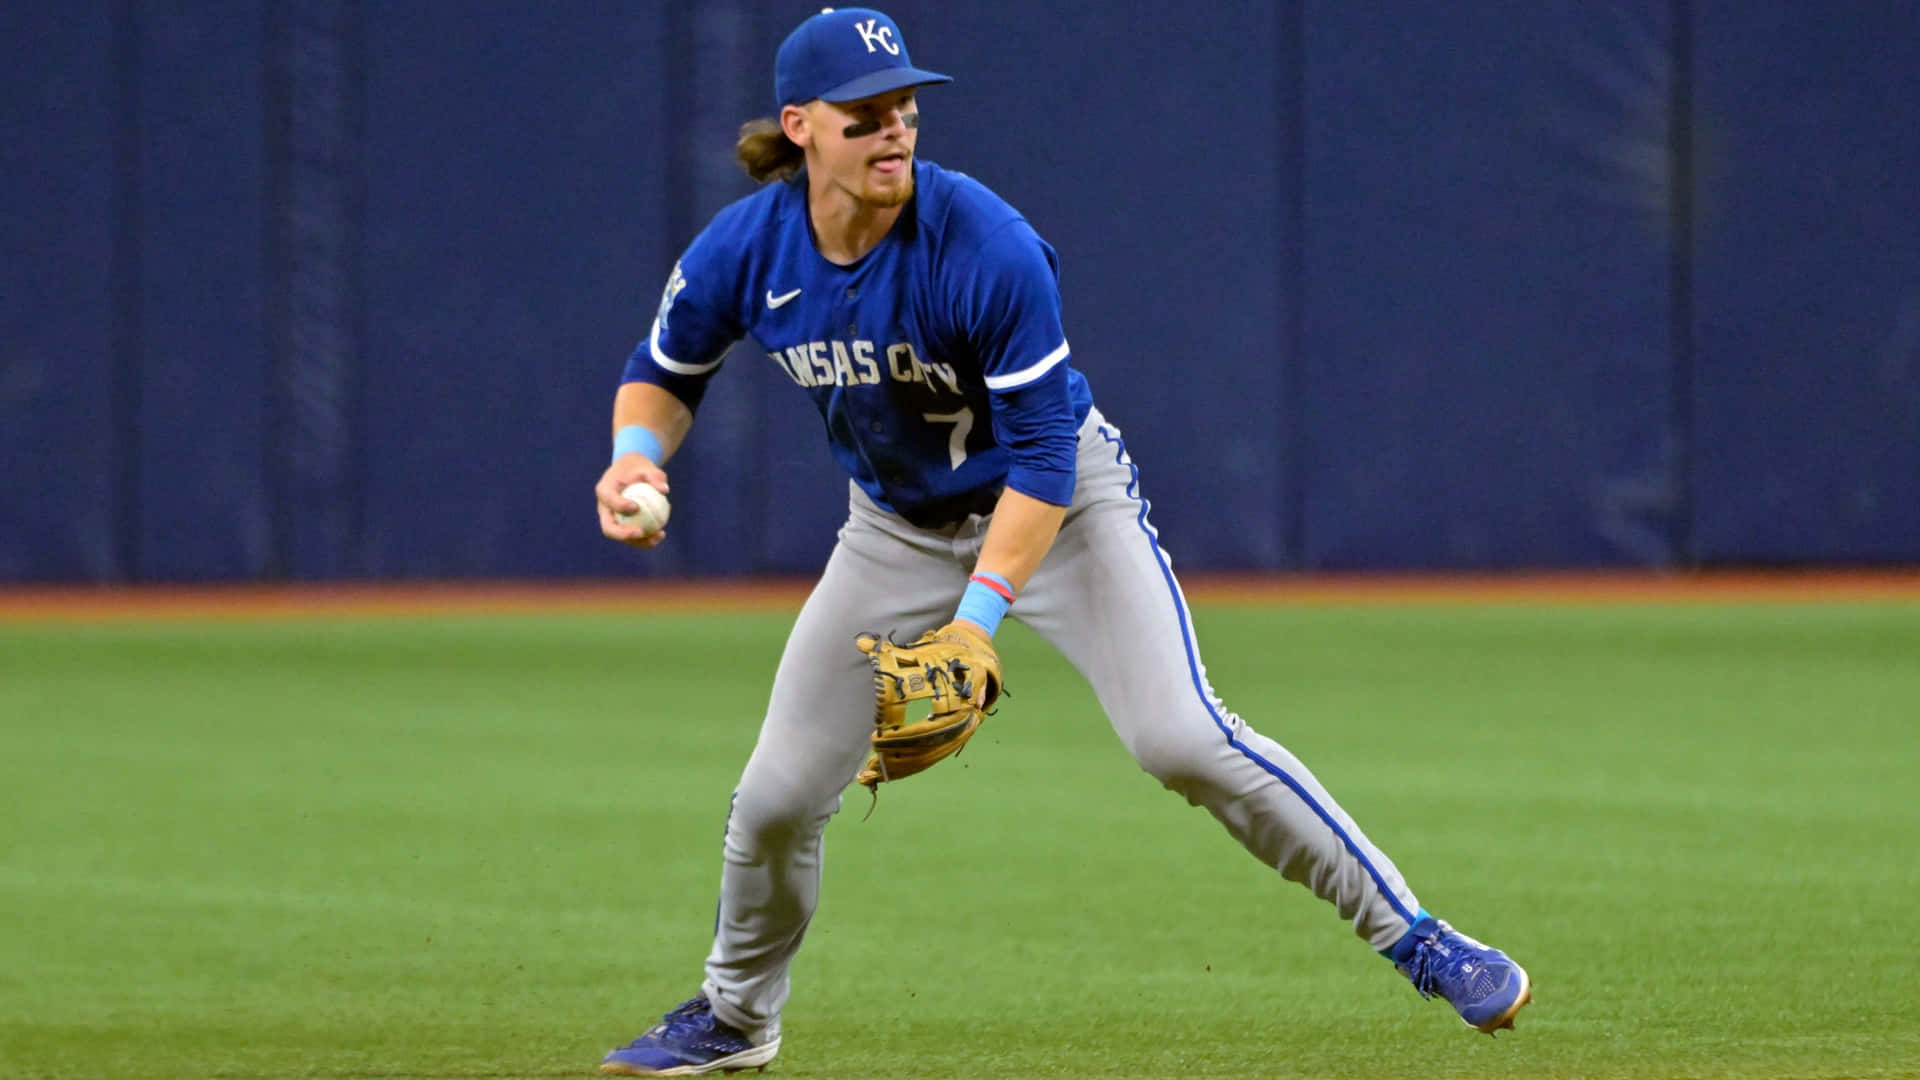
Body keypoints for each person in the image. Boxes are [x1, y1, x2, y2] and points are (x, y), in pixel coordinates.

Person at [591, 8, 1532, 1076]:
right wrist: (635, 457)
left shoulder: (984, 243)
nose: (895, 130)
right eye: (866, 115)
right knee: (770, 801)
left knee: (1181, 738)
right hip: (893, 529)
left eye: (904, 107)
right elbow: (665, 368)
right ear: (801, 127)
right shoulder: (748, 247)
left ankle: (1418, 938)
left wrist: (975, 622)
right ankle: (735, 1017)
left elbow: (1040, 455)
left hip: (1063, 505)